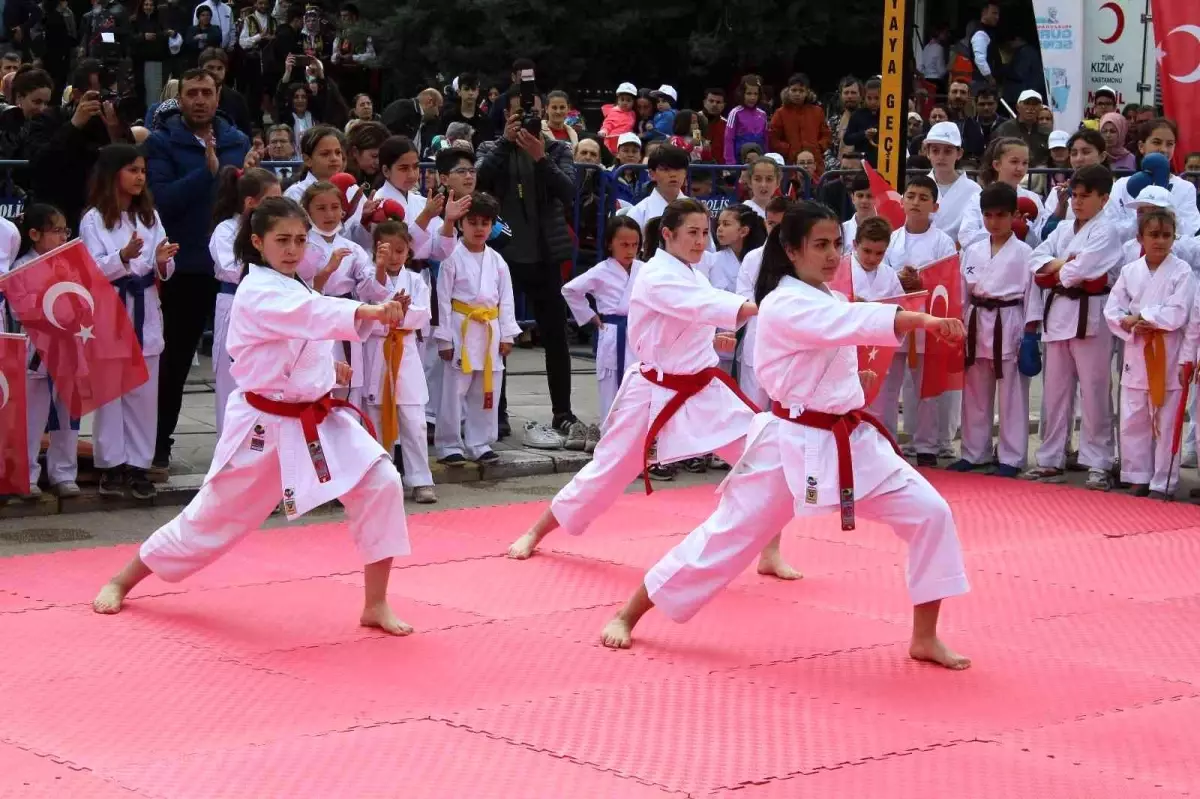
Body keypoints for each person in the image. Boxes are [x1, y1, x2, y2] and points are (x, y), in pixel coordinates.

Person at [596, 201, 971, 670]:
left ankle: (924, 637)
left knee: (931, 514)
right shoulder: (784, 303)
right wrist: (919, 320)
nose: (833, 255)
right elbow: (847, 325)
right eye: (820, 245)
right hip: (789, 445)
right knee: (724, 539)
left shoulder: (830, 298)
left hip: (850, 441)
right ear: (792, 251)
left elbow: (845, 325)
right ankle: (628, 613)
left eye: (838, 244)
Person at [92, 196, 414, 633]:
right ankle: (123, 579)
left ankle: (375, 603)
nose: (292, 249)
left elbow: (301, 333)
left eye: (300, 240)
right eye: (282, 240)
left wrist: (325, 367)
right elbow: (307, 316)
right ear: (258, 242)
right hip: (264, 426)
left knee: (382, 482)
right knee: (209, 520)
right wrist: (368, 310)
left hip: (316, 418)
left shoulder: (296, 284)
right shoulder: (257, 288)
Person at [507, 198, 798, 582]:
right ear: (667, 234)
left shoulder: (692, 271)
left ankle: (770, 550)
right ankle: (535, 531)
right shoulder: (657, 276)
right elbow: (702, 304)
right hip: (652, 393)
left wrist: (726, 330)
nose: (700, 241)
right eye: (692, 233)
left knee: (766, 456)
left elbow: (705, 311)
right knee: (606, 473)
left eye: (704, 233)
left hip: (702, 389)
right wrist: (760, 308)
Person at [147, 67, 251, 473]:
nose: (200, 100)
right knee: (174, 362)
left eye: (207, 92)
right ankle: (159, 446)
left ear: (218, 95)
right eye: (192, 93)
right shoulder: (161, 143)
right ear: (180, 96)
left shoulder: (236, 141)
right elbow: (161, 202)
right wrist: (204, 174)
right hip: (187, 265)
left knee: (242, 365)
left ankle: (243, 448)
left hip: (236, 271)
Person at [476, 92, 580, 439]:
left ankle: (562, 412)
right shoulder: (491, 148)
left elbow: (568, 191)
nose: (527, 122)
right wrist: (506, 145)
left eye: (533, 115)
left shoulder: (557, 149)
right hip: (503, 253)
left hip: (545, 252)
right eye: (519, 116)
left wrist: (540, 158)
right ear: (505, 116)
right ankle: (498, 412)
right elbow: (478, 181)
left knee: (555, 336)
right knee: (499, 337)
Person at [80, 144, 180, 500]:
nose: (140, 177)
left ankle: (139, 465)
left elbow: (161, 265)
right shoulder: (94, 219)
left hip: (145, 306)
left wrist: (162, 260)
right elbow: (90, 268)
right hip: (110, 308)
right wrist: (121, 257)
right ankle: (111, 466)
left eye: (142, 171)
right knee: (112, 392)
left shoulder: (149, 218)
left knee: (143, 391)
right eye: (132, 170)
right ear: (112, 174)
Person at [1025, 165, 1123, 488]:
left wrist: (1058, 269)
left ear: (1104, 198)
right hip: (1058, 316)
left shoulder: (1107, 231)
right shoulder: (1064, 230)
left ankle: (1099, 461)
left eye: (1086, 197)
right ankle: (1051, 457)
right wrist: (1064, 266)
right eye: (1075, 196)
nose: (1078, 202)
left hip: (1090, 317)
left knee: (1095, 392)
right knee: (1055, 392)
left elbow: (1085, 270)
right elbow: (1035, 260)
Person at [1105, 208, 1196, 497]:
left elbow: (1179, 312)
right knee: (1134, 418)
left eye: (1166, 235)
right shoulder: (1130, 271)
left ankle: (1163, 482)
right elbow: (1112, 309)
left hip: (1168, 352)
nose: (1160, 241)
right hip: (1136, 349)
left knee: (1165, 420)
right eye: (1154, 235)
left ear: (1174, 238)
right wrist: (1129, 324)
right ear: (1140, 238)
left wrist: (1142, 316)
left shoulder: (1182, 271)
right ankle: (1137, 475)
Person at [950, 183, 1035, 477]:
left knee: (1012, 392)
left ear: (1014, 215)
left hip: (1009, 320)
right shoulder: (972, 250)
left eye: (1000, 215)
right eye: (987, 215)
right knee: (974, 390)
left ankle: (1012, 457)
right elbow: (961, 291)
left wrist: (1031, 335)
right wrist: (958, 325)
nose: (993, 221)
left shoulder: (1025, 253)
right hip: (975, 320)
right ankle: (975, 452)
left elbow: (1031, 296)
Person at [433, 192, 520, 465]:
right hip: (461, 328)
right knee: (453, 391)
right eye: (473, 222)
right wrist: (444, 339)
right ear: (461, 224)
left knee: (486, 390)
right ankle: (449, 445)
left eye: (485, 223)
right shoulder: (451, 258)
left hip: (490, 329)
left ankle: (479, 443)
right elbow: (443, 299)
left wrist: (507, 334)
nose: (479, 228)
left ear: (492, 226)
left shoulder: (497, 261)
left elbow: (506, 299)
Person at [3, 205, 78, 498]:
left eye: (65, 231)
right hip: (37, 348)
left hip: (68, 347)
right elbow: (19, 308)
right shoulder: (21, 267)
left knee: (68, 415)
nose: (62, 237)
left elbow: (83, 300)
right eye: (56, 231)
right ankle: (28, 473)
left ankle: (63, 472)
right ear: (34, 234)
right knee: (32, 416)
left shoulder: (70, 263)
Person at [884, 175, 958, 467]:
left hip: (928, 322)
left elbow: (947, 278)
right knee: (889, 388)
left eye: (923, 198)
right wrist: (897, 280)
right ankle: (887, 441)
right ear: (901, 201)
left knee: (925, 387)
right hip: (895, 319)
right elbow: (879, 274)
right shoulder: (891, 239)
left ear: (935, 206)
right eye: (911, 196)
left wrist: (920, 280)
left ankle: (926, 445)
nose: (915, 202)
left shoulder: (943, 242)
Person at [297, 180, 392, 407]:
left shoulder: (354, 249)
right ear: (307, 212)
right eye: (321, 208)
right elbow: (300, 290)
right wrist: (327, 270)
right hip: (315, 320)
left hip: (346, 318)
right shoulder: (301, 246)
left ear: (343, 210)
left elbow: (371, 290)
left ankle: (346, 438)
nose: (329, 214)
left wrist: (380, 268)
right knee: (317, 386)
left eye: (334, 207)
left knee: (348, 391)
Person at [362, 219, 437, 503]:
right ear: (375, 250)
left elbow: (421, 315)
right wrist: (390, 308)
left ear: (409, 251)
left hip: (404, 351)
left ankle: (420, 479)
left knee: (414, 420)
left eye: (399, 250)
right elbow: (368, 304)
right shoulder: (368, 276)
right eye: (386, 250)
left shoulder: (417, 281)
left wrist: (400, 314)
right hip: (377, 350)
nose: (393, 256)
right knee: (377, 417)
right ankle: (382, 479)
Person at [209, 166, 282, 436]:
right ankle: (228, 454)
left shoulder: (273, 230)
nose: (278, 205)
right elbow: (232, 268)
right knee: (232, 382)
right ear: (251, 203)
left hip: (267, 308)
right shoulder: (226, 230)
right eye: (271, 200)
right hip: (235, 303)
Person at [561, 216, 642, 426]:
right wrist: (590, 315)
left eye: (635, 244)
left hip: (638, 333)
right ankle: (610, 439)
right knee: (610, 388)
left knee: (638, 389)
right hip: (612, 332)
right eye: (624, 244)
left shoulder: (644, 269)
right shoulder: (602, 270)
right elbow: (570, 290)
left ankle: (636, 439)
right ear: (610, 244)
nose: (630, 250)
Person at [848, 217, 906, 437]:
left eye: (879, 253)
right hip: (849, 348)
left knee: (883, 400)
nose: (872, 258)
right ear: (855, 245)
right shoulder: (842, 269)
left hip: (879, 349)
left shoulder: (889, 274)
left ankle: (884, 446)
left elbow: (900, 308)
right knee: (850, 400)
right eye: (867, 251)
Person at [735, 196, 791, 408]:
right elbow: (743, 297)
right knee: (752, 409)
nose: (776, 230)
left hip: (789, 343)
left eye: (782, 225)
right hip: (758, 338)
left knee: (786, 412)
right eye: (771, 224)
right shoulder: (753, 258)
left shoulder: (801, 258)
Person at [924, 122, 981, 244]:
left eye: (948, 151)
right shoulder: (918, 187)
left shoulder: (973, 190)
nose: (941, 157)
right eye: (935, 151)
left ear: (959, 153)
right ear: (927, 153)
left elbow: (978, 229)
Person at [768, 73, 830, 165]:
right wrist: (789, 150)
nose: (797, 94)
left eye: (801, 91)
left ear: (807, 92)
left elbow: (826, 134)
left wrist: (818, 147)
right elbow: (773, 138)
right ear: (788, 91)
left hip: (815, 162)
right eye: (794, 90)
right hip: (791, 163)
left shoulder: (817, 111)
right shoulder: (780, 113)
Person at [723, 75, 767, 166]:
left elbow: (765, 140)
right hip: (740, 161)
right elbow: (728, 139)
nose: (752, 97)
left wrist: (766, 159)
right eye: (749, 93)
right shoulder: (735, 113)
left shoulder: (762, 114)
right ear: (742, 94)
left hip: (758, 160)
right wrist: (730, 162)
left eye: (756, 94)